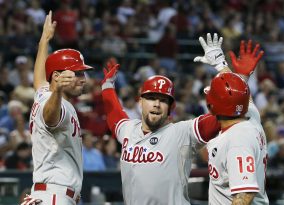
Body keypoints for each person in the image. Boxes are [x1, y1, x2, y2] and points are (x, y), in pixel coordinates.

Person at [100, 43, 225, 204]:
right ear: (140, 102)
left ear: (171, 108)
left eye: (163, 100)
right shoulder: (129, 130)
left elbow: (225, 112)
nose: (156, 104)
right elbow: (114, 115)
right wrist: (107, 86)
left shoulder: (182, 132)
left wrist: (226, 69)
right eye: (151, 98)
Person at [21, 11, 93, 205]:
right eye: (77, 74)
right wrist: (58, 92)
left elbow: (39, 78)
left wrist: (44, 40)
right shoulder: (54, 103)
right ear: (57, 77)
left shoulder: (43, 93)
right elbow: (50, 118)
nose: (82, 80)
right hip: (55, 195)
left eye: (82, 74)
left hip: (47, 194)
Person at [194, 34, 269, 204]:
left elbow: (244, 196)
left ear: (211, 105)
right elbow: (236, 94)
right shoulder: (250, 115)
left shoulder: (237, 139)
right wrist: (221, 64)